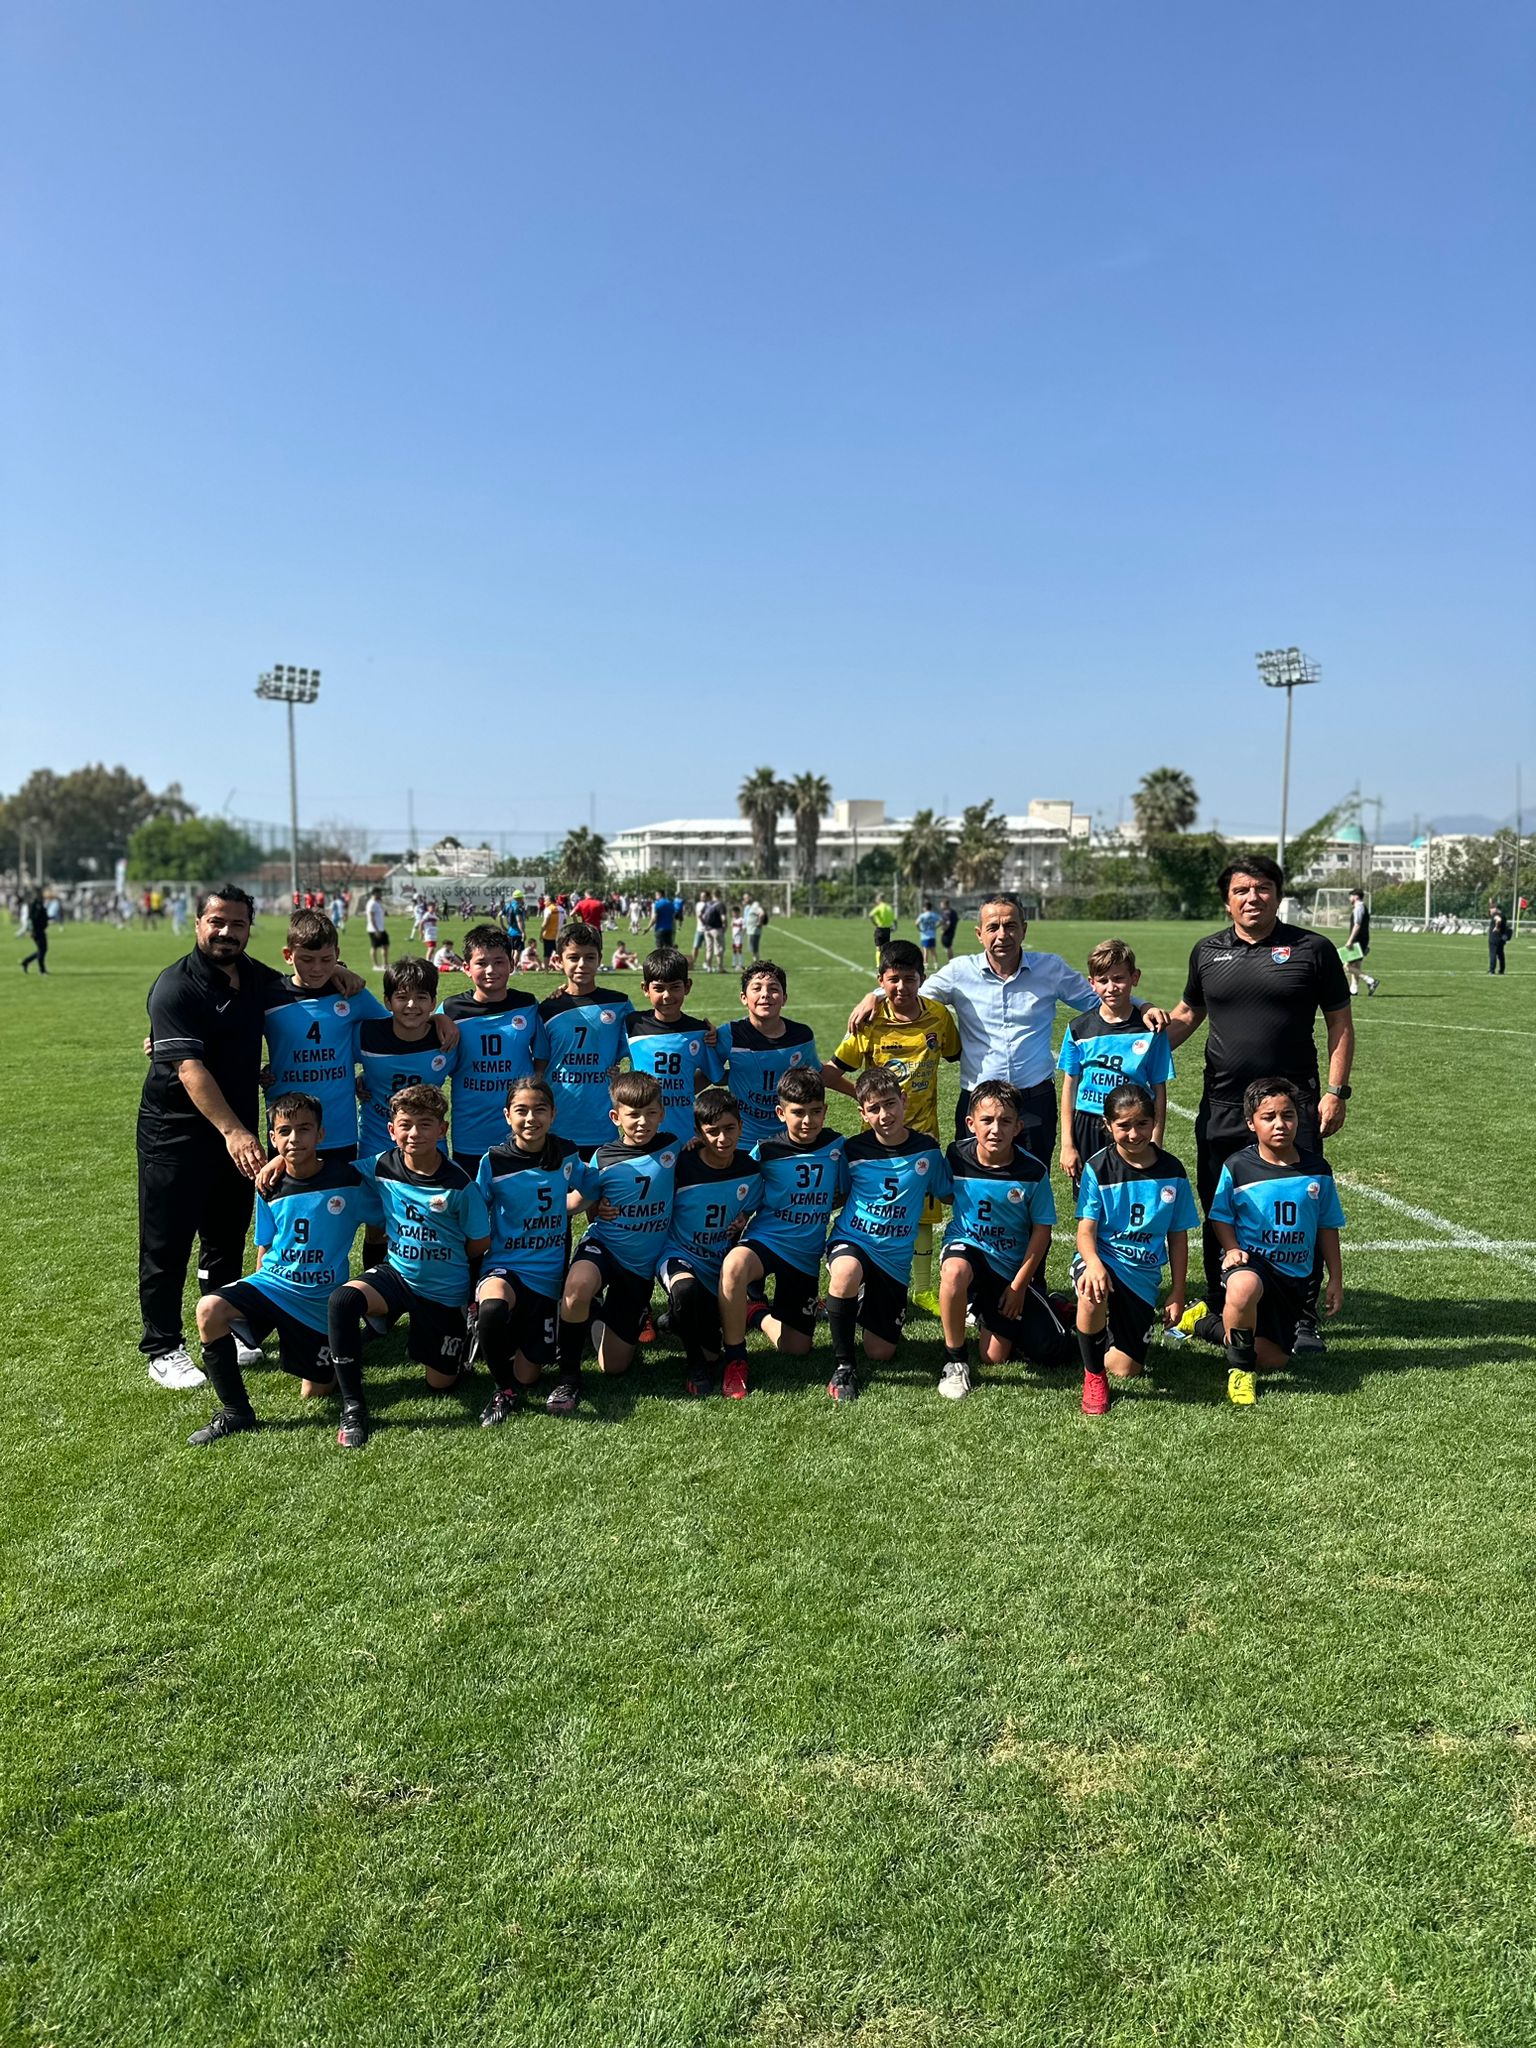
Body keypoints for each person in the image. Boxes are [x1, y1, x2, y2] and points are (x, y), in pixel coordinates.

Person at [136, 886, 365, 1390]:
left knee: (225, 1234)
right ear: (198, 923)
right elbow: (190, 1068)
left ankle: (230, 1322)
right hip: (178, 1132)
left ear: (248, 929)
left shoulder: (256, 977)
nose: (226, 932)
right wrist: (234, 1131)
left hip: (236, 1127)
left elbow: (306, 979)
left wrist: (343, 974)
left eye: (237, 924)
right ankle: (163, 1346)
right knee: (166, 1241)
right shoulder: (175, 986)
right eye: (217, 922)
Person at [1161, 854, 1353, 1347]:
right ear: (1227, 901)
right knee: (1220, 1203)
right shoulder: (1207, 951)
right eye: (1242, 890)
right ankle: (1221, 1298)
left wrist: (1335, 1092)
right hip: (1224, 1104)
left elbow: (1339, 1023)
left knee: (1297, 1206)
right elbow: (1188, 1013)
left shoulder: (1313, 949)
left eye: (1263, 888)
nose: (1253, 898)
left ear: (1278, 895)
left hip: (1292, 1107)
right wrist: (1138, 1049)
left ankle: (1301, 1315)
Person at [844, 893, 1116, 1160]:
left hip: (1034, 1099)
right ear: (979, 934)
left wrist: (1137, 1007)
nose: (1002, 935)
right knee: (973, 1181)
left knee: (1034, 1177)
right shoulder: (960, 972)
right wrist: (875, 995)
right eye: (993, 927)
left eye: (1010, 926)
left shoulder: (1050, 968)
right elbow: (912, 991)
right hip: (978, 1101)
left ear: (1024, 929)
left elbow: (1100, 1001)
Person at [187, 1093, 381, 1444]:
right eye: (285, 1131)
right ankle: (235, 1411)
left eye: (304, 1129)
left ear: (320, 1134)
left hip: (319, 1302)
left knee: (316, 1392)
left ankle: (325, 1352)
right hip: (274, 1284)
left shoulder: (348, 1180)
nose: (295, 1139)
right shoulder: (269, 1184)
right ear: (273, 1138)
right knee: (209, 1309)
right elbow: (265, 1244)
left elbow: (381, 1219)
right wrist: (255, 1290)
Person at [326, 1083, 491, 1448]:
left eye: (425, 1124)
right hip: (397, 1275)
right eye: (405, 1124)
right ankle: (353, 1406)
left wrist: (447, 1265)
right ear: (392, 1130)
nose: (414, 1133)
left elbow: (479, 1243)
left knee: (440, 1384)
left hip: (443, 1291)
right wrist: (279, 1160)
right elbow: (326, 1171)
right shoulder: (381, 1165)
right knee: (342, 1300)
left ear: (442, 1130)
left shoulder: (459, 1185)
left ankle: (458, 1338)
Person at [825, 938, 960, 1304]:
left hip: (922, 1135)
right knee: (877, 1209)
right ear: (880, 981)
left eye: (909, 979)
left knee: (923, 1214)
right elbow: (830, 1073)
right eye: (893, 979)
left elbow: (954, 1053)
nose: (901, 987)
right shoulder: (868, 1022)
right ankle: (863, 1275)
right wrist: (866, 1100)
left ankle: (923, 1290)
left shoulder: (938, 1016)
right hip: (878, 1141)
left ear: (922, 979)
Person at [1197, 1076, 1346, 1406]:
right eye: (1269, 1117)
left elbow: (1327, 1225)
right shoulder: (1239, 1166)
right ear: (1251, 1123)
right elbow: (1220, 1215)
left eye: (1288, 1115)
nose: (1280, 1124)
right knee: (1243, 1287)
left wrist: (1335, 1277)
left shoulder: (1317, 1169)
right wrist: (1232, 1248)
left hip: (1292, 1279)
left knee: (1272, 1359)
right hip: (1252, 1264)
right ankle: (1240, 1372)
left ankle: (1205, 1323)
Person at [716, 1068, 849, 1398]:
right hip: (767, 1240)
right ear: (780, 1112)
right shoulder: (766, 1151)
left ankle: (757, 1313)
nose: (807, 1121)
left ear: (825, 1110)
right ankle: (735, 1359)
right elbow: (732, 1174)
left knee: (796, 1348)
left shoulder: (837, 1146)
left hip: (805, 1255)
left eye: (815, 1111)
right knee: (734, 1266)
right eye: (798, 1112)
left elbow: (847, 1190)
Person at [823, 1068, 952, 1402]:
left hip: (894, 1259)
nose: (884, 1115)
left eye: (890, 1103)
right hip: (854, 1239)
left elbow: (948, 1192)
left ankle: (861, 1300)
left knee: (880, 1352)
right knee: (846, 1272)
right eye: (874, 1108)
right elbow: (839, 1194)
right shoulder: (853, 1150)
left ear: (904, 1101)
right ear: (862, 1113)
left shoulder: (926, 1150)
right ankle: (843, 1366)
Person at [551, 1072, 679, 1407]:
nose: (642, 1122)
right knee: (577, 1287)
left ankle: (599, 1313)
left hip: (638, 1267)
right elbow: (578, 1202)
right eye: (633, 1115)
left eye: (651, 1113)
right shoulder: (603, 1158)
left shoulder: (674, 1147)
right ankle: (568, 1378)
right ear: (615, 1117)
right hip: (604, 1246)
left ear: (662, 1114)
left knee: (614, 1367)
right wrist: (532, 1208)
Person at [1072, 1082, 1200, 1416]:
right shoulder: (1098, 1168)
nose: (1133, 1134)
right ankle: (1093, 1377)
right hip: (1103, 1259)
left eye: (1142, 1123)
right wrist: (1093, 1263)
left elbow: (1178, 1236)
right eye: (1124, 1125)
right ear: (1108, 1125)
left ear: (1154, 1121)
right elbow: (1085, 1232)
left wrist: (1178, 1290)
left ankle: (1085, 1330)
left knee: (1125, 1368)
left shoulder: (1172, 1171)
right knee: (1092, 1289)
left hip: (1142, 1273)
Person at [473, 1077, 592, 1426]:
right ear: (507, 1115)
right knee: (493, 1306)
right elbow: (475, 1213)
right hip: (505, 1265)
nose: (530, 1119)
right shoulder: (493, 1161)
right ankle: (502, 1390)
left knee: (528, 1375)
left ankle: (505, 1343)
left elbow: (590, 1187)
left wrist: (565, 1207)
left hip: (547, 1277)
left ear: (553, 1114)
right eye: (521, 1110)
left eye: (539, 1110)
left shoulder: (566, 1152)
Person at [938, 1079, 1065, 1402]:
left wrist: (1018, 1287)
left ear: (1018, 1126)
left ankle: (1042, 1307)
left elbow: (1042, 1231)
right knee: (954, 1271)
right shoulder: (956, 1155)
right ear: (971, 1124)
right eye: (987, 1120)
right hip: (968, 1250)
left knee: (1010, 1354)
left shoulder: (1032, 1171)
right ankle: (955, 1362)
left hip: (1009, 1269)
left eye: (1005, 1121)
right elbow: (944, 1193)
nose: (996, 1129)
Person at [259, 909, 394, 1158]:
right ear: (288, 955)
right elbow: (239, 1041)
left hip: (339, 1129)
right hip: (287, 1132)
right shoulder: (270, 996)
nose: (317, 968)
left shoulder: (351, 993)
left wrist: (369, 1072)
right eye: (307, 959)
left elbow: (395, 1033)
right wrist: (257, 1072)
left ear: (337, 955)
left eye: (326, 959)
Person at [656, 1086, 762, 1397]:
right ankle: (695, 1366)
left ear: (741, 1126)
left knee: (713, 1351)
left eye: (729, 1129)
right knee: (685, 1291)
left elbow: (754, 1205)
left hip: (717, 1265)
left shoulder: (750, 1170)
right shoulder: (682, 1166)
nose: (722, 1138)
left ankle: (677, 1320)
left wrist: (744, 1218)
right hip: (678, 1254)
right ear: (698, 1132)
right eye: (712, 1131)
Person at [1057, 938, 1174, 1184]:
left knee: (1131, 1191)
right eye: (1103, 981)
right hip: (1088, 1123)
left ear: (1135, 977)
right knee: (1091, 1197)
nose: (1111, 987)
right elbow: (1069, 1087)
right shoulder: (1078, 1029)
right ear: (1092, 983)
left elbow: (1159, 1089)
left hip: (1132, 1124)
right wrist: (1067, 1144)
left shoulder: (1151, 1030)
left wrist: (1156, 1139)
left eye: (1119, 978)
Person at [440, 924, 548, 1174]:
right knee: (474, 1193)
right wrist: (437, 1019)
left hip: (520, 1128)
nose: (491, 970)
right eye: (481, 963)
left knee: (520, 1192)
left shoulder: (527, 1004)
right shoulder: (450, 1010)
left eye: (499, 962)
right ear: (466, 968)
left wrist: (535, 1085)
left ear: (512, 964)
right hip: (471, 1130)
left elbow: (541, 1054)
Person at [539, 921, 636, 1156]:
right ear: (559, 960)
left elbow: (640, 1051)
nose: (582, 964)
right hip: (557, 1125)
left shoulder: (619, 1004)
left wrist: (624, 1080)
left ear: (599, 958)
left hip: (602, 1126)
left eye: (590, 957)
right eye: (573, 957)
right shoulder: (547, 1009)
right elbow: (538, 1066)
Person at [713, 960, 819, 1144]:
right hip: (743, 1139)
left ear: (784, 998)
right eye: (757, 988)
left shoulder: (802, 1036)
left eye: (773, 989)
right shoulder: (729, 1034)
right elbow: (712, 1075)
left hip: (787, 1138)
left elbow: (817, 1075)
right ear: (743, 997)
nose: (765, 994)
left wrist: (855, 1092)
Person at [622, 947, 724, 1129]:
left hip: (684, 1130)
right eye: (659, 988)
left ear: (687, 986)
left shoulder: (700, 1032)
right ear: (645, 989)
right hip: (642, 1130)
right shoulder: (632, 1024)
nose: (667, 995)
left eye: (675, 987)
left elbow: (713, 1075)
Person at [1343, 889, 1379, 997]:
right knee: (1356, 966)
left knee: (1347, 966)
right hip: (1362, 940)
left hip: (1357, 941)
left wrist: (1350, 941)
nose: (1350, 899)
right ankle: (1353, 989)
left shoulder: (1358, 908)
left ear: (1356, 896)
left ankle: (1370, 980)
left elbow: (1357, 925)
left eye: (1351, 896)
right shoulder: (1362, 907)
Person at [18, 892, 49, 974]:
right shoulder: (36, 906)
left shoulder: (38, 905)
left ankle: (26, 962)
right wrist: (32, 931)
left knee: (42, 950)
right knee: (42, 950)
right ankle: (41, 970)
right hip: (37, 931)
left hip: (40, 930)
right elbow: (33, 918)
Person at [699, 891, 727, 973]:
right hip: (717, 929)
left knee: (709, 949)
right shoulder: (720, 905)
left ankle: (709, 967)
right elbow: (723, 918)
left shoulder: (707, 904)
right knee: (719, 948)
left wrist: (704, 923)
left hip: (707, 930)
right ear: (719, 895)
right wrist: (725, 925)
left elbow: (700, 915)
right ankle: (720, 968)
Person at [868, 892, 895, 969]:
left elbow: (870, 915)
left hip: (880, 929)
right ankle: (886, 964)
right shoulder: (889, 907)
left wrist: (874, 923)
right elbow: (893, 918)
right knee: (885, 948)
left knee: (878, 948)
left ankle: (878, 965)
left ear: (879, 899)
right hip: (887, 930)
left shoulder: (879, 907)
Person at [365, 890, 389, 971]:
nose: (381, 895)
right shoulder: (371, 904)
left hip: (381, 928)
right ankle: (375, 965)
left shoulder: (377, 902)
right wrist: (376, 930)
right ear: (375, 894)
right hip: (374, 929)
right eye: (379, 894)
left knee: (385, 945)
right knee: (374, 947)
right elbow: (371, 917)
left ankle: (385, 964)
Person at [916, 901, 940, 972]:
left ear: (925, 908)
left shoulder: (922, 915)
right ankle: (936, 964)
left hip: (925, 935)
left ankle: (925, 965)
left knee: (925, 950)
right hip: (932, 935)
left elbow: (916, 923)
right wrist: (936, 927)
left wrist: (919, 929)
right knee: (933, 950)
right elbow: (941, 921)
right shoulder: (934, 915)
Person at [741, 895, 766, 962]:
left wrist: (760, 923)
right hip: (751, 931)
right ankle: (756, 963)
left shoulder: (754, 906)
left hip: (754, 931)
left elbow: (762, 913)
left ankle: (756, 964)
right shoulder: (749, 907)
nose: (744, 900)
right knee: (753, 950)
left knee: (755, 950)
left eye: (746, 898)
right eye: (744, 898)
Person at [1488, 901, 1510, 974]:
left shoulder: (1496, 914)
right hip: (1501, 938)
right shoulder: (1503, 915)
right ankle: (1501, 970)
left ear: (1496, 908)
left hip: (1494, 937)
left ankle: (1492, 970)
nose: (1490, 909)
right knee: (1500, 954)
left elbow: (1498, 920)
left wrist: (1497, 927)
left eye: (1491, 908)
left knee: (1493, 954)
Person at [938, 898, 959, 962]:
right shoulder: (953, 912)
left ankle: (951, 961)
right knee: (948, 946)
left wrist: (943, 930)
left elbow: (947, 923)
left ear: (945, 905)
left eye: (941, 904)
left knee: (948, 947)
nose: (940, 906)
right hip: (952, 931)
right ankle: (951, 960)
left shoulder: (946, 912)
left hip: (947, 932)